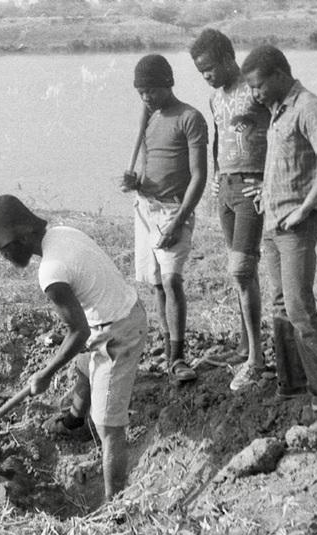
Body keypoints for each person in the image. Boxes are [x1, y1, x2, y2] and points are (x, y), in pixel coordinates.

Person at [0, 194, 147, 503]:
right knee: (84, 368)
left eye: (4, 246)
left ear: (24, 234)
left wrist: (44, 374)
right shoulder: (62, 234)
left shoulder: (51, 272)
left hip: (120, 331)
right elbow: (83, 333)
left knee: (109, 425)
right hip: (112, 316)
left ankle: (114, 506)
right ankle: (73, 422)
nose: (3, 254)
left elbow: (77, 332)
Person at [237, 44, 317, 433]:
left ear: (278, 75)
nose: (254, 93)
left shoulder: (308, 106)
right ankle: (293, 386)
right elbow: (291, 165)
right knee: (280, 307)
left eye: (257, 85)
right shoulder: (277, 112)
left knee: (300, 308)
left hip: (295, 228)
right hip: (273, 224)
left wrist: (306, 208)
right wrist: (267, 193)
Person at [189, 29, 271, 391]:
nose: (206, 76)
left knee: (241, 269)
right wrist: (217, 178)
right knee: (242, 273)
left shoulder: (255, 89)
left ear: (227, 57)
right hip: (227, 189)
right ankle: (244, 346)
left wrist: (269, 182)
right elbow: (221, 137)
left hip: (253, 186)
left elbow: (280, 130)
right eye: (200, 71)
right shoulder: (214, 98)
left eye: (209, 68)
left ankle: (257, 360)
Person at [119, 53, 208, 385]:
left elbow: (198, 177)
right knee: (157, 283)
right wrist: (135, 183)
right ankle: (169, 350)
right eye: (140, 92)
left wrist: (178, 220)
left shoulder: (190, 118)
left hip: (174, 210)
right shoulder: (149, 118)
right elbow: (148, 169)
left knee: (172, 280)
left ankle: (178, 356)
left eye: (151, 91)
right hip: (146, 208)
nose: (145, 98)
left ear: (168, 83)